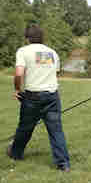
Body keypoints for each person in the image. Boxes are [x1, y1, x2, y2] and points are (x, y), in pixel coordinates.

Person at [6, 25, 71, 171]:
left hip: (32, 97)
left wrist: (17, 89)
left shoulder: (23, 51)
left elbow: (18, 73)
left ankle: (15, 154)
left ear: (27, 38)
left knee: (25, 128)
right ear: (42, 37)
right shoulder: (52, 52)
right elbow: (55, 72)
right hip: (52, 96)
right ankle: (63, 164)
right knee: (56, 130)